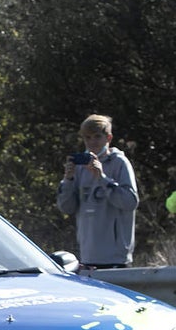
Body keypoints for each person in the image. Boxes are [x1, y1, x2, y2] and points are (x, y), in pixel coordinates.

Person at [56, 114, 139, 269]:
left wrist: (102, 178)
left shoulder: (119, 163)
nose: (92, 142)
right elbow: (67, 208)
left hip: (116, 258)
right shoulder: (80, 167)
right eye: (87, 138)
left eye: (97, 137)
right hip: (88, 256)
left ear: (108, 138)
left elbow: (130, 202)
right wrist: (68, 180)